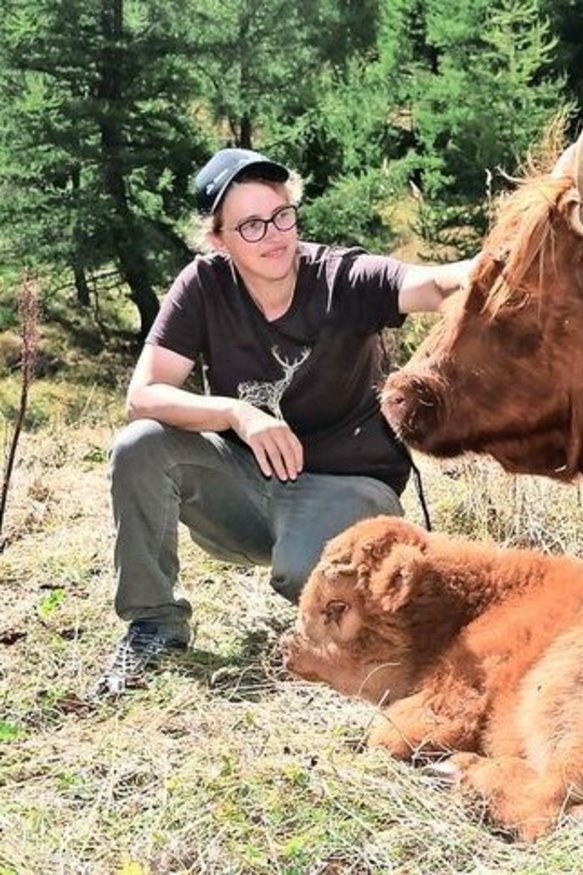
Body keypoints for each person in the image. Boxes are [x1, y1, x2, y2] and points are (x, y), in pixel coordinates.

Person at [91, 148, 475, 698]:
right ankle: (154, 625)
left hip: (347, 485)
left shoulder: (343, 279)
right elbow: (143, 394)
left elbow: (439, 286)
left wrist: (518, 254)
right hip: (248, 491)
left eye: (281, 215)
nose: (273, 235)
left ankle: (363, 617)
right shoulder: (204, 286)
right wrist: (235, 412)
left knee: (305, 579)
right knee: (140, 446)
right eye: (249, 225)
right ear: (218, 240)